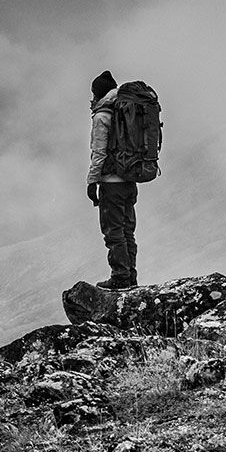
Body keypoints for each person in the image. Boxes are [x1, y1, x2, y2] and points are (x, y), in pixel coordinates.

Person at [87, 70, 137, 289]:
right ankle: (130, 276)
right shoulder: (128, 110)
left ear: (99, 94)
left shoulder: (102, 116)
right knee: (127, 230)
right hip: (130, 180)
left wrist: (92, 182)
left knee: (113, 232)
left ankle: (120, 277)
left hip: (111, 183)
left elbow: (99, 152)